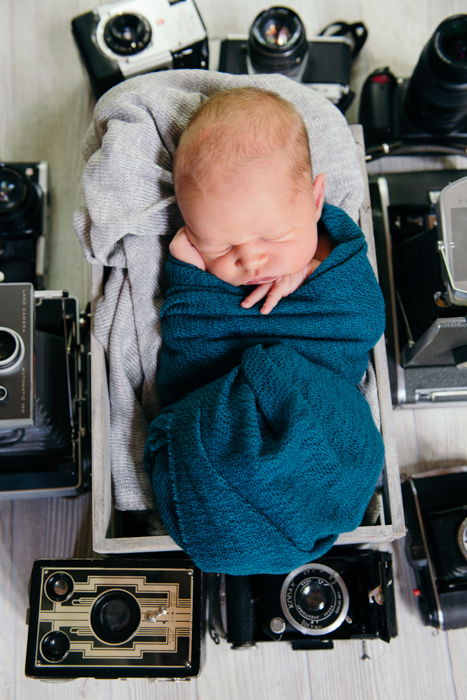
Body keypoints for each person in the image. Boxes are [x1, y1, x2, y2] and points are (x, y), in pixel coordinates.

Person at [169, 86, 334, 314]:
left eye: (273, 237)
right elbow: (186, 332)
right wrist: (190, 274)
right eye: (220, 247)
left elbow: (366, 318)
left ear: (315, 201)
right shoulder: (199, 268)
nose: (250, 262)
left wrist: (308, 275)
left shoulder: (335, 259)